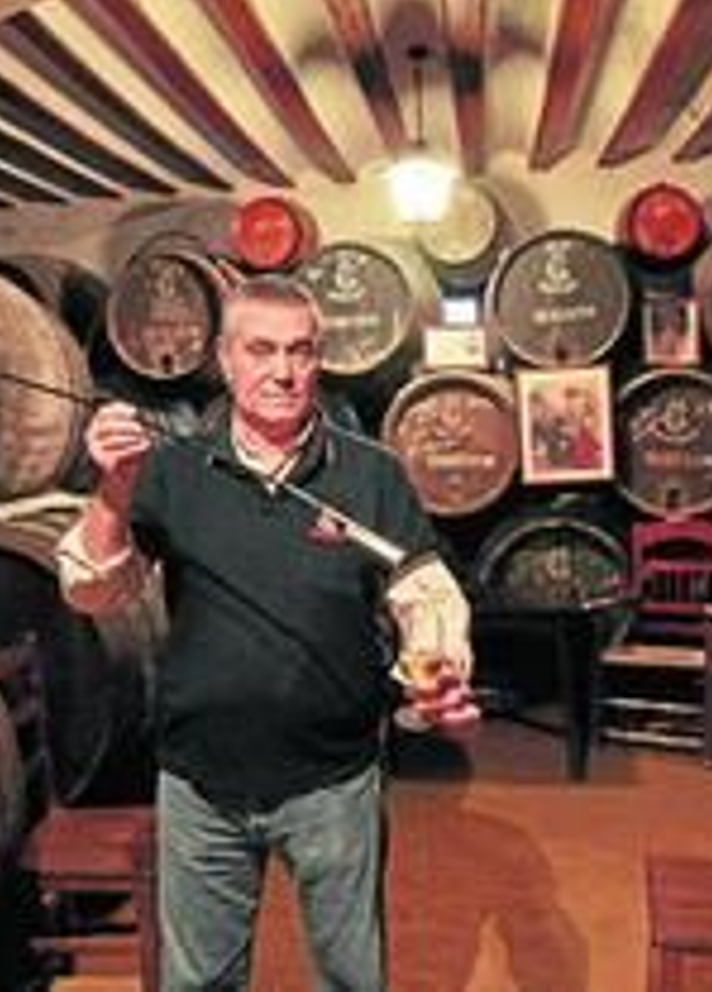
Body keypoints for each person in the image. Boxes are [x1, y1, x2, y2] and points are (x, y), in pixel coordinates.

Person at [54, 275, 478, 991]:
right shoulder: (171, 470)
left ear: (319, 360)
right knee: (199, 985)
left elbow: (424, 592)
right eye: (261, 350)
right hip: (200, 784)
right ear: (225, 359)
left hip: (334, 781)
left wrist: (437, 669)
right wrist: (113, 489)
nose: (282, 371)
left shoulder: (371, 474)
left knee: (352, 978)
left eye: (300, 351)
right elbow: (92, 590)